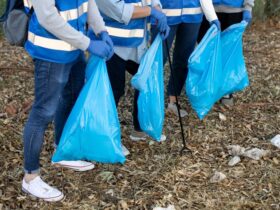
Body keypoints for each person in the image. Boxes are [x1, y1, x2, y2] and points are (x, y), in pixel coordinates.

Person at [22, 0, 114, 202]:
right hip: (51, 53)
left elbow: (88, 3)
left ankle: (62, 150)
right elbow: (47, 17)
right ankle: (30, 176)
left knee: (72, 95)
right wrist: (89, 43)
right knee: (43, 112)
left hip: (74, 48)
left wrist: (102, 31)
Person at [95, 0, 169, 144]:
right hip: (113, 45)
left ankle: (139, 129)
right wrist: (150, 11)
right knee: (113, 90)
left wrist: (158, 10)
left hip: (138, 44)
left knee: (144, 81)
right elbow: (117, 10)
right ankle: (105, 138)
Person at [151, 0, 220, 118]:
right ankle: (151, 103)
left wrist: (212, 17)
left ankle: (173, 101)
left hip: (192, 16)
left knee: (183, 60)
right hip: (164, 15)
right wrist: (154, 8)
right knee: (157, 60)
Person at [197, 0, 255, 106]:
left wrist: (248, 7)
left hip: (234, 11)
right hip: (208, 9)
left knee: (229, 52)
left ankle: (226, 91)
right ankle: (207, 88)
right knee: (207, 51)